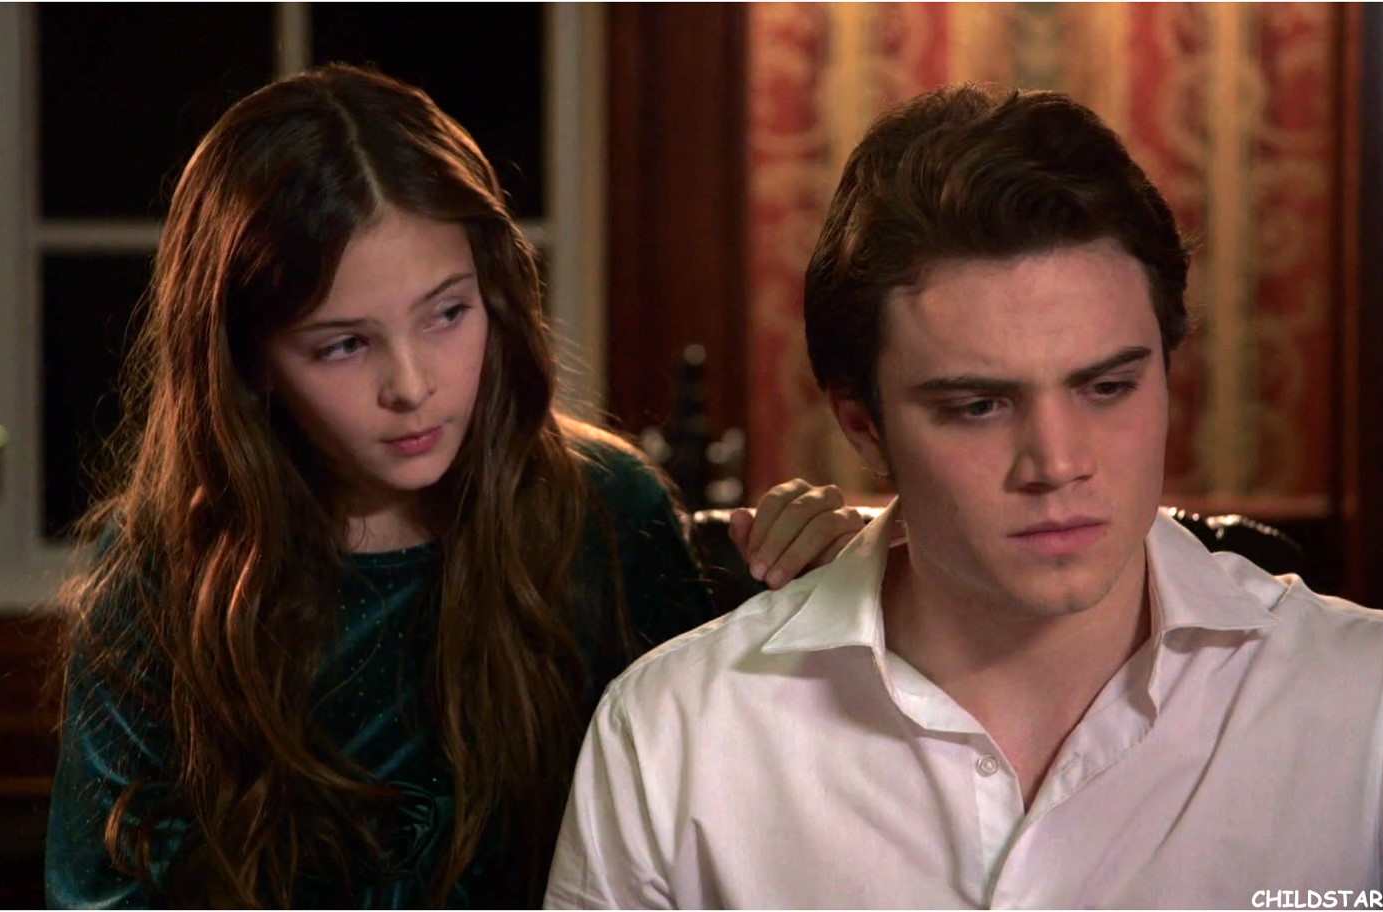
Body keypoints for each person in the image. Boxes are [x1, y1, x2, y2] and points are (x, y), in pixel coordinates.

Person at [545, 84, 1383, 909]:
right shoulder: (678, 735)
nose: (1056, 462)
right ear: (862, 425)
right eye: (977, 405)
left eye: (1107, 387)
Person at [44, 64, 865, 909]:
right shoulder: (159, 569)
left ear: (495, 295)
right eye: (343, 345)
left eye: (446, 313)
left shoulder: (602, 512)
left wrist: (834, 595)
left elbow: (721, 829)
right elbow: (102, 894)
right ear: (249, 365)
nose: (412, 385)